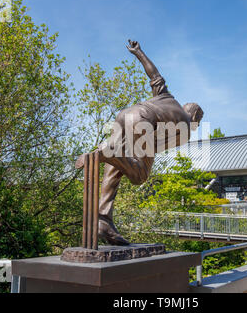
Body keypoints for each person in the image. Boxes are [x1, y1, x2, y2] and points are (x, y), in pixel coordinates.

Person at [76, 40, 204, 245]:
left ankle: (103, 219)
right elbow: (155, 144)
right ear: (195, 117)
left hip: (124, 114)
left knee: (116, 167)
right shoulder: (187, 127)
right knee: (139, 174)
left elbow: (154, 74)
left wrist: (138, 52)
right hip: (143, 122)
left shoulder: (166, 97)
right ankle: (109, 152)